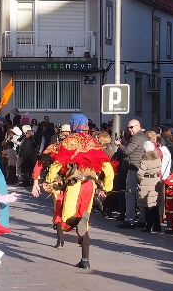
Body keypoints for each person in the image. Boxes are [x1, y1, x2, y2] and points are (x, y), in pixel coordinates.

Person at [44, 114, 114, 269]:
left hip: (74, 184)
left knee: (66, 220)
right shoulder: (93, 142)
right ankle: (85, 260)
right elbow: (107, 167)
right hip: (90, 185)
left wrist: (49, 181)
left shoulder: (69, 142)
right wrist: (107, 187)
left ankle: (78, 222)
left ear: (73, 125)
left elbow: (57, 164)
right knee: (85, 223)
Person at [114, 119, 149, 229]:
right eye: (129, 128)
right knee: (140, 195)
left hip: (134, 169)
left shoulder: (136, 138)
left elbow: (127, 151)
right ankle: (142, 219)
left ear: (138, 126)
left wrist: (119, 145)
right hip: (141, 169)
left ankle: (130, 220)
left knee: (129, 194)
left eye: (132, 127)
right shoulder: (143, 137)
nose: (130, 130)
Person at [137, 141, 162, 232]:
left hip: (147, 182)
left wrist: (139, 180)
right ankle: (157, 225)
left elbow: (140, 173)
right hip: (156, 181)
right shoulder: (157, 157)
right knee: (155, 205)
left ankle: (148, 225)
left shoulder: (145, 159)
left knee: (147, 205)